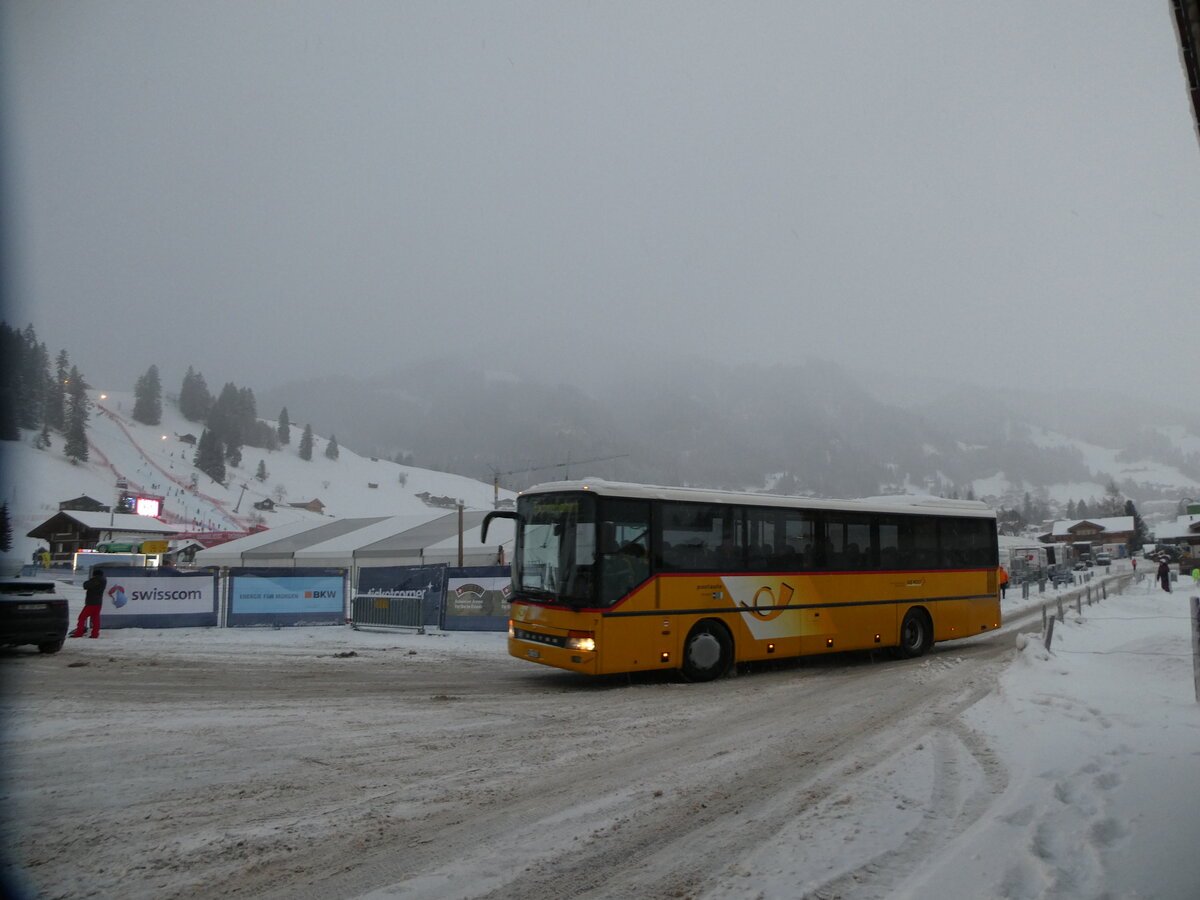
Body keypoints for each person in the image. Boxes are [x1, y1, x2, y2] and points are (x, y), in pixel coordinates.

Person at [71, 567, 106, 638]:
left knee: (82, 618)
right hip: (98, 603)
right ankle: (95, 634)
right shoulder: (103, 580)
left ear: (95, 575)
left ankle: (79, 633)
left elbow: (86, 585)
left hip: (91, 602)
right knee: (95, 619)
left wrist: (91, 580)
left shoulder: (96, 580)